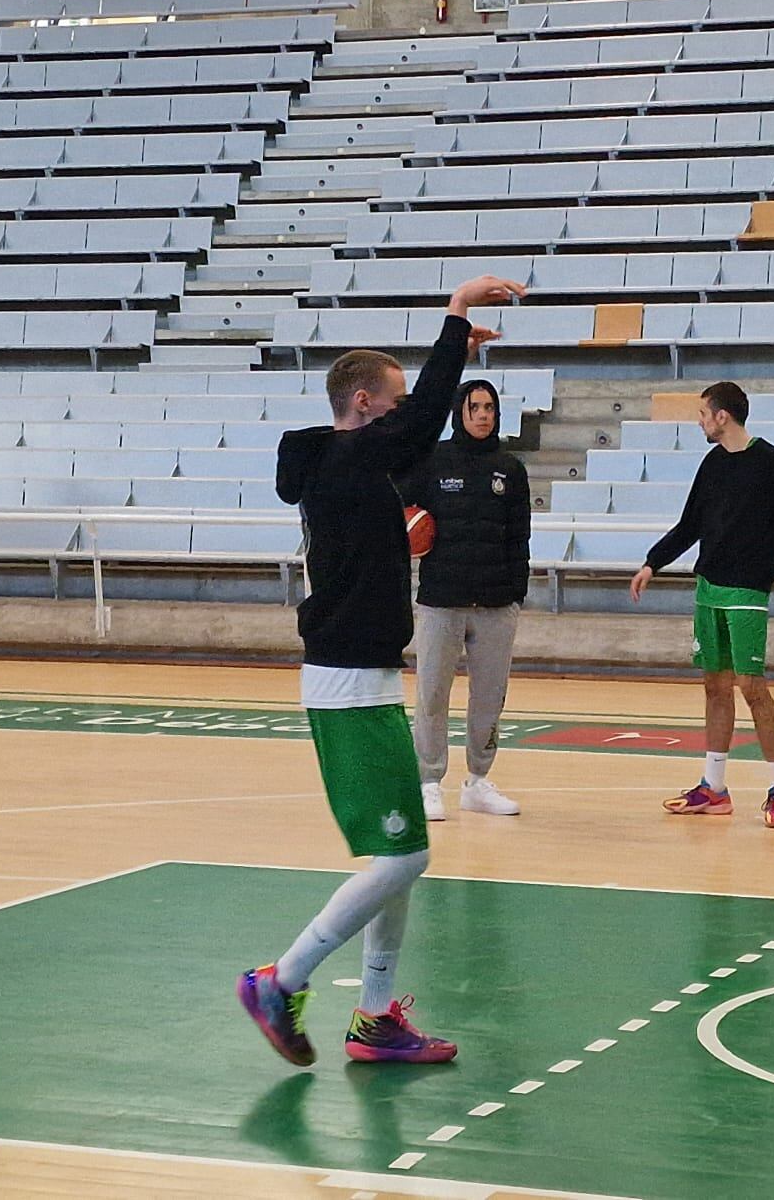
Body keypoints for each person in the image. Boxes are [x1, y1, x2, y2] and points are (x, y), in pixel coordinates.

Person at [240, 274, 524, 1068]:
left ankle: (373, 1017)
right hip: (347, 684)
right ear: (363, 404)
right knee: (405, 857)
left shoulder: (350, 465)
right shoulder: (348, 458)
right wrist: (455, 315)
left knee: (397, 857)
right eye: (392, 402)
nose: (403, 414)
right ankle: (281, 979)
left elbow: (417, 425)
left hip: (363, 677)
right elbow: (426, 415)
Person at [627, 381, 774, 829]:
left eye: (703, 414)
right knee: (714, 686)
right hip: (709, 589)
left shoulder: (772, 464)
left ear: (721, 416)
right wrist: (653, 562)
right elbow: (689, 525)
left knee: (752, 687)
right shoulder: (711, 465)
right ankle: (714, 787)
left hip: (747, 593)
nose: (700, 422)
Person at [402, 379, 532, 822]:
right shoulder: (432, 460)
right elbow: (401, 511)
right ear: (460, 411)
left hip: (497, 604)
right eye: (475, 407)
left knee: (489, 697)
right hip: (441, 600)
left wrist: (516, 594)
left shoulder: (510, 469)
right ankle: (428, 782)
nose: (483, 415)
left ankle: (478, 781)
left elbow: (520, 537)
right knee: (432, 693)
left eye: (490, 407)